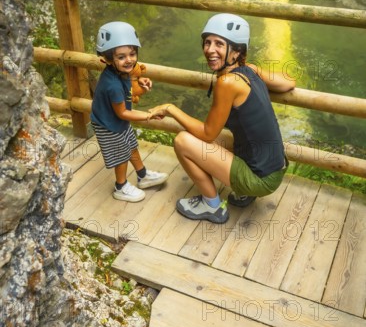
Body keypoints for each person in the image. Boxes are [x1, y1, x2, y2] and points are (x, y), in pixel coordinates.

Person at [149, 13, 296, 223]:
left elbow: (208, 134)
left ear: (236, 51)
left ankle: (212, 206)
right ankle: (244, 193)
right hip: (276, 167)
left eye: (219, 44)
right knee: (222, 137)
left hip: (261, 179)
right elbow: (288, 83)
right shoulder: (250, 70)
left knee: (183, 141)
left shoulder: (227, 83)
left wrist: (171, 108)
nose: (210, 49)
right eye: (207, 42)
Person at [91, 21, 168, 202]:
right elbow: (123, 113)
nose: (130, 60)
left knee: (131, 145)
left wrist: (140, 81)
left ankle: (142, 175)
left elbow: (131, 75)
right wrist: (148, 115)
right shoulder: (112, 85)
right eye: (121, 57)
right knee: (121, 154)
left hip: (117, 121)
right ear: (108, 59)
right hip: (108, 124)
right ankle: (121, 186)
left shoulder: (120, 71)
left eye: (132, 54)